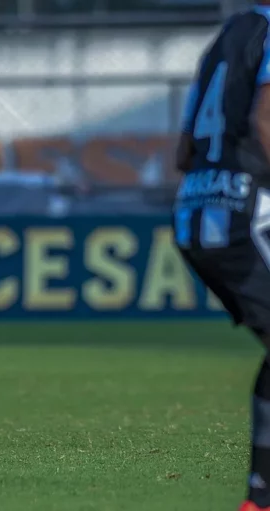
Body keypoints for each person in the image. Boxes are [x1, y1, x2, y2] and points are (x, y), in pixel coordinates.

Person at [174, 3, 270, 509]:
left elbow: (183, 153)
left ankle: (260, 496)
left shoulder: (229, 33)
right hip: (245, 213)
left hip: (196, 211)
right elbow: (265, 115)